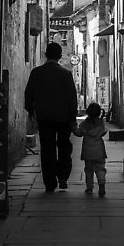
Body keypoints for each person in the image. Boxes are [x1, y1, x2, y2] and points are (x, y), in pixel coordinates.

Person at [24, 43, 78, 193]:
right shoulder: (66, 74)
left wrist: (30, 111)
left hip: (44, 117)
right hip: (63, 118)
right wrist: (73, 118)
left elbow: (29, 94)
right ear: (60, 57)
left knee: (47, 149)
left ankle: (49, 183)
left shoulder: (36, 72)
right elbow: (72, 98)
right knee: (64, 147)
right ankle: (62, 176)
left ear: (46, 55)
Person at [73, 102, 107, 196]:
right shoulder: (100, 124)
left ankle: (89, 188)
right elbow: (104, 132)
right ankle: (101, 184)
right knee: (100, 169)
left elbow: (78, 133)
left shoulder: (85, 124)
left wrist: (74, 127)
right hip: (99, 151)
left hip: (87, 152)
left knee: (89, 170)